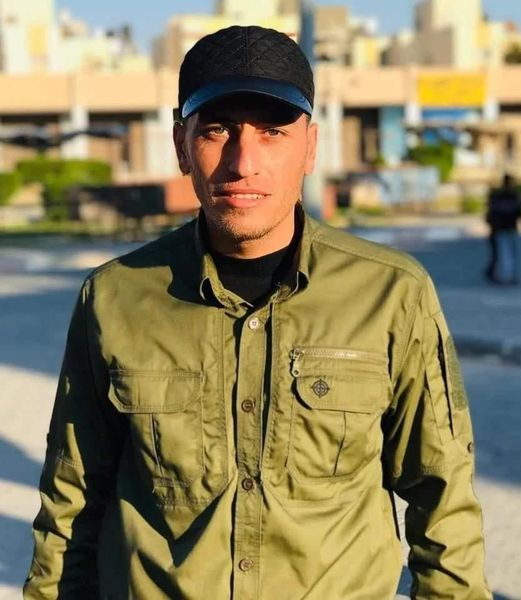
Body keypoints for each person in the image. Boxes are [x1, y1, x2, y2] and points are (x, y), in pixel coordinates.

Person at [24, 25, 491, 599]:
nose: (243, 162)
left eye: (272, 132)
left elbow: (442, 496)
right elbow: (72, 502)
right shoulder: (113, 298)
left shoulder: (393, 293)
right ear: (181, 146)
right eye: (217, 130)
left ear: (310, 147)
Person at [485, 173, 520, 284]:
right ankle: (505, 276)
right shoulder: (506, 196)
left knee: (507, 254)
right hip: (502, 229)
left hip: (506, 228)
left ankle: (506, 275)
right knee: (505, 254)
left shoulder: (508, 196)